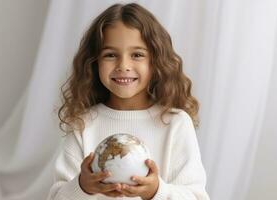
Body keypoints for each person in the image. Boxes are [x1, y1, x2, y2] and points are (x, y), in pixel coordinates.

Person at [47, 3, 210, 200]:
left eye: (137, 55)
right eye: (110, 55)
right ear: (94, 61)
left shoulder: (175, 123)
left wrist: (156, 191)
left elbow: (196, 197)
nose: (123, 66)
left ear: (156, 61)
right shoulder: (84, 123)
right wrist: (82, 186)